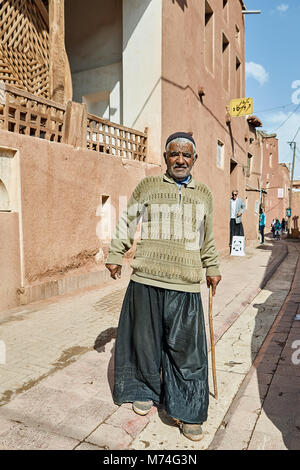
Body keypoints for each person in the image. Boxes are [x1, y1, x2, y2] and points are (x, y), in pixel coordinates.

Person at [105, 131, 221, 442]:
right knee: (145, 342)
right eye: (174, 154)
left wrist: (212, 267)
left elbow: (206, 237)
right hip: (146, 279)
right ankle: (144, 390)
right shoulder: (148, 186)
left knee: (187, 350)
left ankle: (187, 411)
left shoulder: (204, 194)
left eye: (186, 155)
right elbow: (128, 221)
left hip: (185, 282)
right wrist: (116, 254)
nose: (180, 159)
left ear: (194, 160)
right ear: (166, 158)